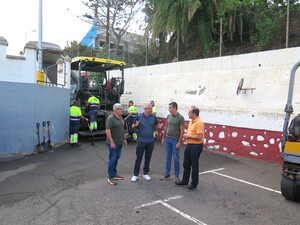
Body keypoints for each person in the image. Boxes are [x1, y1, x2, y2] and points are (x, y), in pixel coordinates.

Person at [175, 106, 205, 192]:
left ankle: (194, 184)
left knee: (194, 165)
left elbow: (199, 136)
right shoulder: (192, 121)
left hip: (196, 146)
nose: (188, 113)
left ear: (194, 113)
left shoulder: (199, 123)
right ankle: (185, 181)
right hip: (189, 145)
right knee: (186, 164)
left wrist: (188, 136)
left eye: (189, 112)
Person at [131, 103, 163, 182]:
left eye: (151, 109)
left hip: (150, 141)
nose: (151, 110)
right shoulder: (139, 116)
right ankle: (135, 175)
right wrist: (135, 125)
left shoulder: (153, 117)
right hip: (141, 141)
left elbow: (155, 126)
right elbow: (132, 126)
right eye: (149, 109)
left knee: (148, 158)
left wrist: (158, 127)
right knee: (138, 158)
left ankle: (145, 173)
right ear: (145, 109)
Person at [160, 102, 185, 182]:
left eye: (170, 108)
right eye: (169, 108)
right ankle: (167, 174)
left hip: (175, 141)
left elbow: (182, 131)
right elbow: (166, 127)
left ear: (174, 108)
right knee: (168, 158)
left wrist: (179, 142)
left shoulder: (180, 118)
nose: (169, 109)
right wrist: (163, 137)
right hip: (167, 139)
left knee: (176, 158)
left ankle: (177, 175)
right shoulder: (168, 116)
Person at [105, 103, 127, 185]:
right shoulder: (110, 118)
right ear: (115, 110)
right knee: (113, 159)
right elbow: (107, 131)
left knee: (116, 158)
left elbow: (121, 129)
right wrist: (111, 142)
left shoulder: (120, 117)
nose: (122, 110)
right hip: (113, 143)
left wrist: (124, 138)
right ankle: (110, 177)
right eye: (120, 109)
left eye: (122, 109)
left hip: (119, 142)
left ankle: (114, 174)